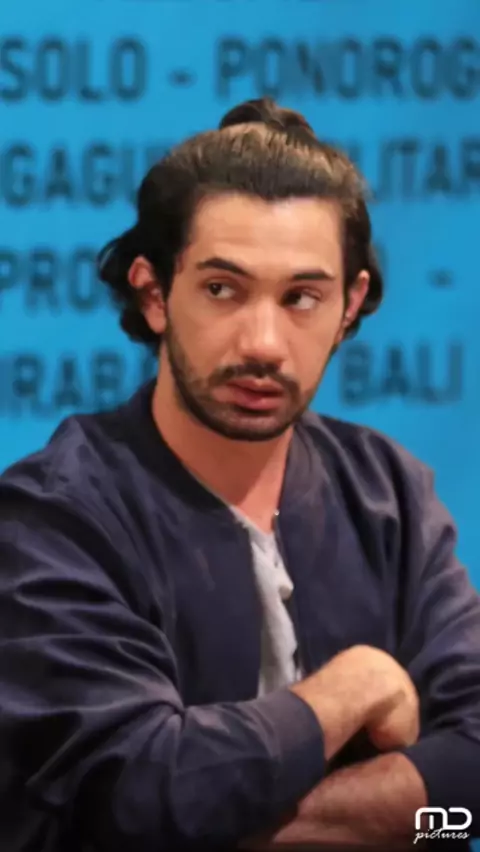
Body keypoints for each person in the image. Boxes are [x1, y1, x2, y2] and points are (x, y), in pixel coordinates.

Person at [0, 97, 478, 852]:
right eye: (222, 289)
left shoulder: (390, 494)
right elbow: (138, 795)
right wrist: (351, 689)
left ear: (350, 304)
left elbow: (469, 796)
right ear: (154, 294)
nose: (263, 342)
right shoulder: (53, 518)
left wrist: (406, 827)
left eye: (301, 298)